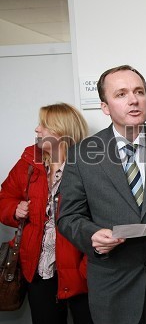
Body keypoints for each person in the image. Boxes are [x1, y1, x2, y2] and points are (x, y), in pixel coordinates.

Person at [57, 65, 146, 324]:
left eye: (139, 92)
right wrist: (92, 235)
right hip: (113, 286)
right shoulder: (82, 154)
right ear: (105, 107)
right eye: (121, 94)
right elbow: (68, 216)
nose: (134, 100)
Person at [0, 103, 91, 324]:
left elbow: (106, 218)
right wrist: (15, 209)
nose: (37, 130)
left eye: (44, 125)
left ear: (62, 131)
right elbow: (4, 198)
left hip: (81, 271)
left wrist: (88, 269)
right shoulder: (29, 163)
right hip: (37, 269)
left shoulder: (89, 166)